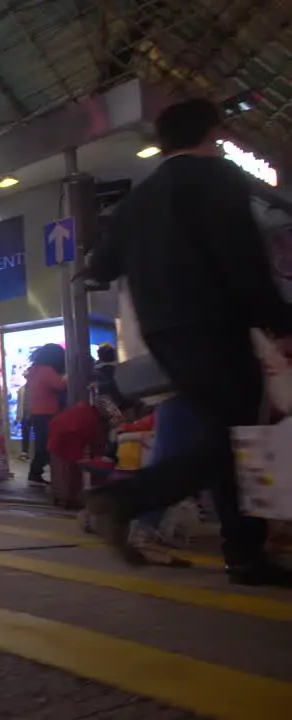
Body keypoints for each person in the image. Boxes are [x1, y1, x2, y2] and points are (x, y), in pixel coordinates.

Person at [84, 98, 292, 585]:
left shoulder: (140, 198)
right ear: (212, 135)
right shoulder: (216, 179)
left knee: (225, 434)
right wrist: (279, 322)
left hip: (166, 336)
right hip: (217, 325)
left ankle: (245, 554)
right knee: (240, 439)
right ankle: (128, 498)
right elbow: (241, 258)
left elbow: (101, 265)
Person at [24, 343, 67, 485]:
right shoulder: (47, 371)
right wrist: (68, 376)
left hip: (36, 412)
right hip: (49, 412)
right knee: (47, 445)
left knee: (41, 444)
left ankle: (36, 472)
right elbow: (60, 385)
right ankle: (36, 472)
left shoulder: (33, 370)